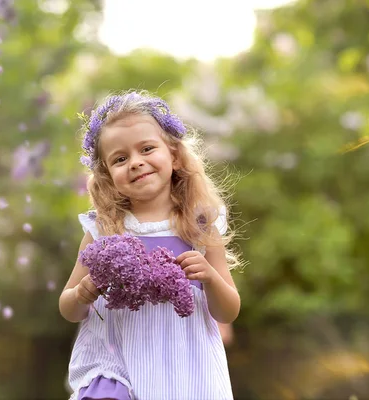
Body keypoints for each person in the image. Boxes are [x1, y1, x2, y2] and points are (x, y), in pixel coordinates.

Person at [59, 91, 242, 399]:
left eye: (146, 148)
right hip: (117, 363)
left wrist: (210, 277)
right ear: (107, 175)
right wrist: (82, 294)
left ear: (173, 155)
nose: (136, 162)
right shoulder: (102, 230)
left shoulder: (200, 227)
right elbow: (68, 308)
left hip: (185, 368)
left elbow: (228, 311)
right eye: (120, 159)